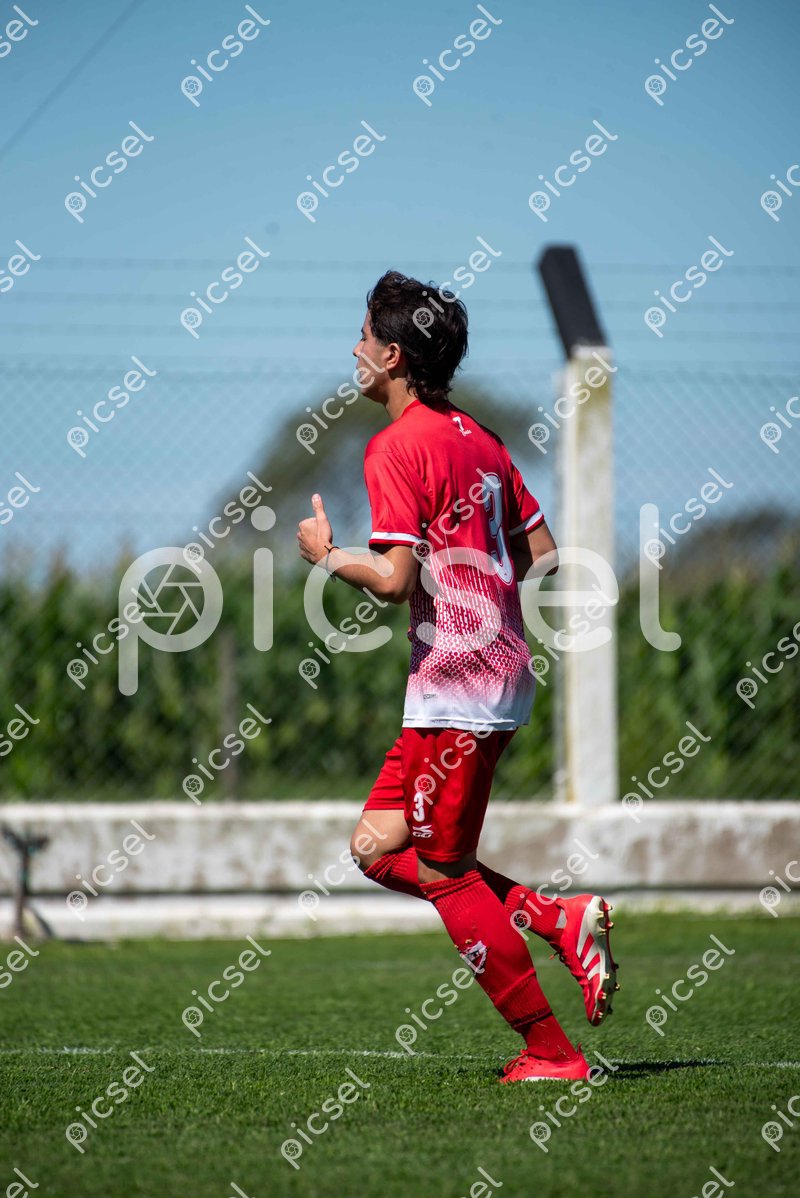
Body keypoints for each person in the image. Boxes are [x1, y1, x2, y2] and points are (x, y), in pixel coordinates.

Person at [297, 270, 617, 1083]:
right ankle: (557, 918)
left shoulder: (396, 446)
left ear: (392, 356)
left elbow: (394, 579)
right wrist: (476, 576)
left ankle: (551, 1053)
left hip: (457, 686)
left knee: (444, 871)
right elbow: (541, 553)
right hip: (492, 677)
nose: (354, 349)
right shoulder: (482, 440)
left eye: (364, 337)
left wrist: (327, 556)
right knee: (376, 849)